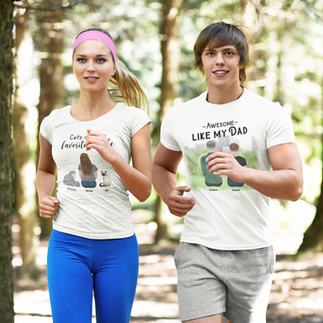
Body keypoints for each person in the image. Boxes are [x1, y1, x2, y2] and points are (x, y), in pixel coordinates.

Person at [152, 22, 303, 323]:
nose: (219, 61)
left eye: (229, 53)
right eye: (210, 53)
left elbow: (294, 184)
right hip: (198, 247)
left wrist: (243, 173)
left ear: (241, 60)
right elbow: (161, 166)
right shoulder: (179, 116)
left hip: (252, 250)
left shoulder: (267, 113)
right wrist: (168, 193)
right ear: (201, 61)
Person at [36, 28, 151, 323]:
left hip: (117, 246)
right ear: (73, 64)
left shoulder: (133, 119)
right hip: (66, 244)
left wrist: (113, 157)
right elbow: (45, 169)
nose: (90, 67)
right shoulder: (54, 122)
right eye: (82, 59)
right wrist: (43, 197)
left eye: (100, 60)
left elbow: (144, 190)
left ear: (113, 66)